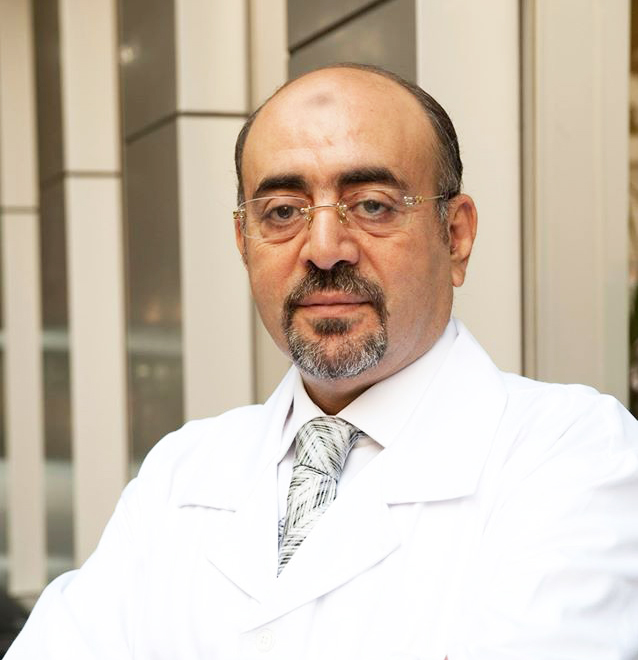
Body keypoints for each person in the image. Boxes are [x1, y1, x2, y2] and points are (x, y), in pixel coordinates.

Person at [7, 63, 638, 659]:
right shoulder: (182, 472)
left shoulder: (575, 454)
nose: (325, 248)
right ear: (244, 242)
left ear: (455, 235)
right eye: (283, 212)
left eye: (372, 204)